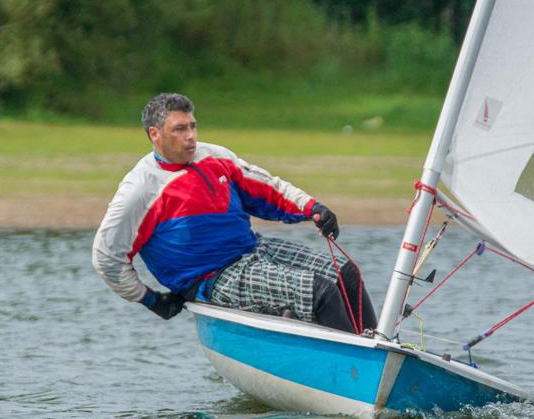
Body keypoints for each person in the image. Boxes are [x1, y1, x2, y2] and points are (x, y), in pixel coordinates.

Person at [92, 93, 376, 333]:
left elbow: (267, 189)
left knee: (346, 273)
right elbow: (107, 257)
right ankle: (354, 370)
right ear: (154, 134)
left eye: (193, 126)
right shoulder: (139, 190)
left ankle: (376, 349)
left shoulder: (215, 157)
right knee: (320, 291)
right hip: (214, 279)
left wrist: (311, 207)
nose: (191, 137)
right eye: (180, 129)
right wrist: (150, 300)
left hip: (254, 250)